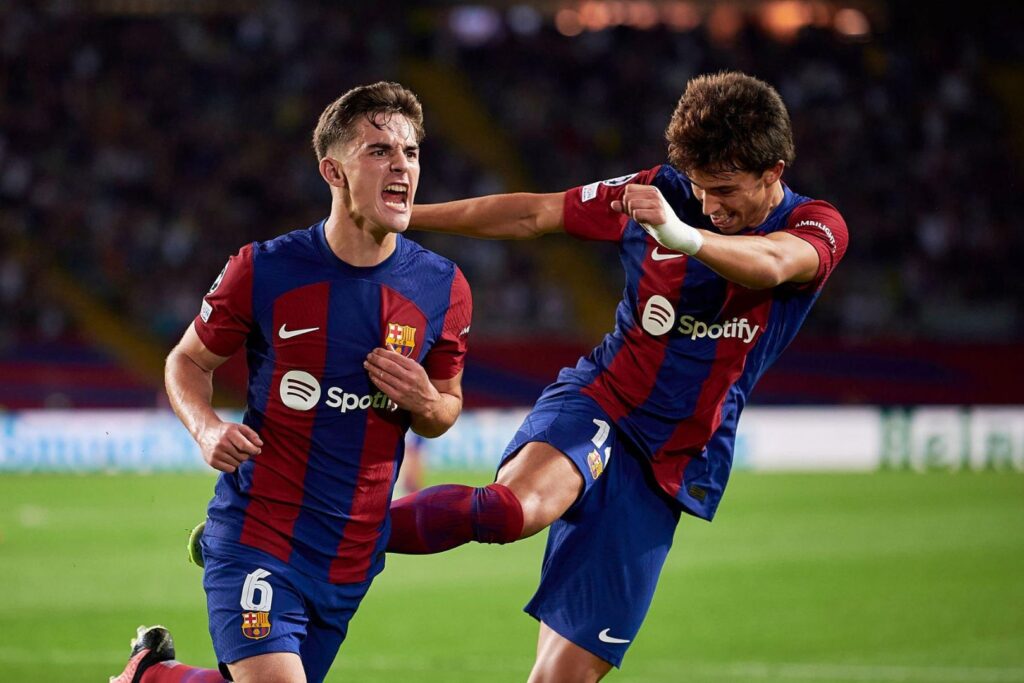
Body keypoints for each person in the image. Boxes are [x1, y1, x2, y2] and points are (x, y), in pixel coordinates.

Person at [386, 70, 849, 682]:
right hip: (603, 401)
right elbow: (533, 214)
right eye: (699, 188)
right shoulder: (654, 191)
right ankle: (314, 524)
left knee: (561, 679)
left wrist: (683, 236)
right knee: (511, 511)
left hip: (673, 461)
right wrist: (403, 217)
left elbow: (772, 264)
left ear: (775, 172)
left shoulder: (816, 225)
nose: (710, 204)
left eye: (726, 190)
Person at [110, 81, 472, 683]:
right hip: (258, 532)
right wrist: (205, 431)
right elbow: (186, 361)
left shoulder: (443, 287)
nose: (403, 165)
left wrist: (426, 400)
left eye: (411, 152)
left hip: (350, 555)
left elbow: (446, 410)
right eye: (380, 150)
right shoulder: (265, 268)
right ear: (333, 170)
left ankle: (150, 675)